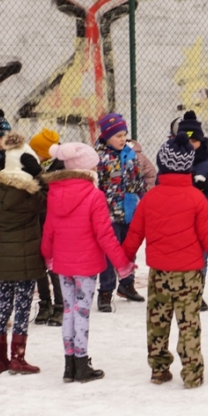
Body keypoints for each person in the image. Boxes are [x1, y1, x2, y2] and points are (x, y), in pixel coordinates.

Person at [122, 133, 208, 389]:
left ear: (162, 163)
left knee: (157, 323)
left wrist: (124, 259)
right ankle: (193, 374)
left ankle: (159, 369)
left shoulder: (150, 198)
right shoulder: (197, 199)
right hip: (190, 275)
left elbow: (135, 234)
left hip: (159, 273)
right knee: (189, 324)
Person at [42, 142, 135, 383]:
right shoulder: (94, 196)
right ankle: (81, 364)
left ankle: (69, 365)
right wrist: (122, 264)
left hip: (63, 263)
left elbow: (49, 229)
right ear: (87, 169)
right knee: (81, 312)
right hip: (86, 264)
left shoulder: (55, 192)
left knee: (69, 311)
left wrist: (48, 255)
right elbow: (105, 235)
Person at [0, 134, 48, 375]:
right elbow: (47, 198)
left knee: (3, 306)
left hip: (1, 255)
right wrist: (39, 175)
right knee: (22, 307)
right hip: (25, 257)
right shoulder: (27, 194)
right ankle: (18, 358)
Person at [95, 112, 147, 311]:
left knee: (129, 249)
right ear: (107, 136)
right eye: (118, 135)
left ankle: (127, 284)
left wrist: (144, 199)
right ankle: (106, 291)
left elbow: (138, 181)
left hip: (130, 212)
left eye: (124, 135)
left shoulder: (130, 154)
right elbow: (96, 186)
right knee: (110, 254)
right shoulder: (99, 157)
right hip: (109, 215)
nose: (122, 139)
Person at [178, 110, 208, 311]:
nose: (191, 145)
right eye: (188, 141)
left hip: (204, 217)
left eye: (195, 141)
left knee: (202, 256)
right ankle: (181, 290)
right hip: (180, 217)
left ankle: (197, 292)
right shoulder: (174, 157)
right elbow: (160, 181)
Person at [28, 127, 64, 326]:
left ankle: (60, 305)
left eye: (36, 152)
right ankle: (44, 302)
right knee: (38, 265)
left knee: (54, 266)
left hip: (54, 225)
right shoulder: (33, 167)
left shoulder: (60, 168)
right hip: (36, 222)